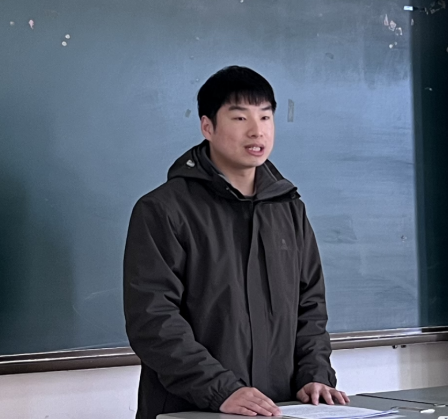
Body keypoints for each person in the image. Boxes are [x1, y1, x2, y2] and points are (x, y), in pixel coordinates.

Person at [123, 66, 349, 419]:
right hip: (191, 409)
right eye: (240, 117)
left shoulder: (289, 209)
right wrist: (221, 390)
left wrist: (315, 374)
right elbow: (154, 320)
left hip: (279, 408)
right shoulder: (163, 210)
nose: (257, 130)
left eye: (265, 117)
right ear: (207, 127)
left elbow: (310, 305)